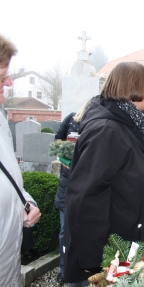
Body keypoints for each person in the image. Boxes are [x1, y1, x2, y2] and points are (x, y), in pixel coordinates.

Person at [63, 62, 144, 285]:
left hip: (132, 250)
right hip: (115, 260)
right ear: (129, 87)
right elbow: (85, 199)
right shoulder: (107, 130)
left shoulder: (131, 126)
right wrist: (95, 264)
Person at [0, 34, 41, 286]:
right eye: (2, 73)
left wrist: (25, 201)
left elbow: (8, 175)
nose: (9, 80)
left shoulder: (1, 121)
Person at [53, 111, 79, 283]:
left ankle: (78, 267)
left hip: (85, 185)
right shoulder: (71, 118)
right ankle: (64, 268)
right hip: (67, 184)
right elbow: (56, 142)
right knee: (64, 231)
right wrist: (64, 155)